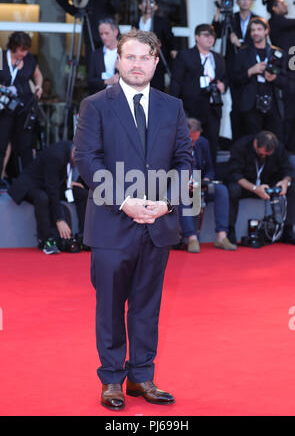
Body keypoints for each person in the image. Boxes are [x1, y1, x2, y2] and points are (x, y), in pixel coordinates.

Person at [74, 29, 192, 410]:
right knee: (110, 306)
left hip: (158, 224)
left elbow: (184, 160)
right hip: (112, 223)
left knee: (147, 305)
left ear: (156, 62)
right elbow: (86, 160)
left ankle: (142, 377)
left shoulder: (172, 106)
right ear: (118, 61)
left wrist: (167, 203)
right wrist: (123, 201)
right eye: (131, 57)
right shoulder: (95, 105)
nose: (137, 64)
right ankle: (111, 380)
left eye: (145, 57)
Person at [8, 141, 88, 254]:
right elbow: (52, 190)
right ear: (75, 153)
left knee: (82, 194)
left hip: (50, 182)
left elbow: (55, 178)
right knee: (43, 198)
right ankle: (45, 240)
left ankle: (84, 237)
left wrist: (68, 182)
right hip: (32, 184)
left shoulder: (70, 149)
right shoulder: (56, 156)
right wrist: (59, 219)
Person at [170, 23, 226, 165]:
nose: (210, 38)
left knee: (212, 145)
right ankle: (191, 182)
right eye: (206, 35)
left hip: (213, 108)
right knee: (191, 146)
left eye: (212, 35)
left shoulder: (218, 58)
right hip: (192, 109)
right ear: (197, 37)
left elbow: (225, 77)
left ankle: (209, 178)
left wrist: (223, 85)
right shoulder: (185, 55)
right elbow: (176, 82)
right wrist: (176, 109)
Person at [227, 131, 295, 245]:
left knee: (292, 187)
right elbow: (234, 174)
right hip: (247, 185)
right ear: (255, 143)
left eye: (267, 155)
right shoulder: (241, 146)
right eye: (261, 154)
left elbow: (287, 170)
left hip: (269, 185)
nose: (264, 156)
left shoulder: (278, 148)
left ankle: (287, 229)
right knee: (233, 189)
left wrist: (285, 182)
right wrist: (254, 188)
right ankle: (230, 230)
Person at [179, 119, 237, 253]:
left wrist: (207, 179)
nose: (193, 143)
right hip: (181, 184)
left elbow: (210, 168)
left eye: (196, 139)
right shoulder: (172, 143)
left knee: (221, 190)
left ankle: (222, 236)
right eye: (191, 140)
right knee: (182, 195)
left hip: (200, 183)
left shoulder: (203, 143)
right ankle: (192, 237)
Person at [49, 0, 119, 67]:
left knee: (113, 67)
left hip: (109, 36)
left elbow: (116, 9)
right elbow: (75, 10)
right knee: (93, 68)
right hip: (90, 34)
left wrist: (110, 0)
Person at [212, 0, 257, 141]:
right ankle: (236, 143)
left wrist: (240, 44)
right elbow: (216, 33)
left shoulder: (257, 20)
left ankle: (249, 141)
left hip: (251, 67)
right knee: (235, 107)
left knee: (249, 107)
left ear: (252, 1)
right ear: (237, 1)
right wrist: (218, 9)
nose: (245, 1)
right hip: (232, 67)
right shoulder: (231, 17)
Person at [0, 32, 43, 188]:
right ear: (13, 47)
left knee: (24, 145)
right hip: (4, 107)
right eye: (21, 50)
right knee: (2, 143)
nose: (24, 53)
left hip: (23, 107)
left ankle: (26, 181)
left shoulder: (29, 59)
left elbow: (38, 75)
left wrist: (39, 86)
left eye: (26, 50)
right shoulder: (1, 56)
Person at [233, 17, 287, 142]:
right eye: (252, 30)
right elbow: (235, 79)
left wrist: (274, 78)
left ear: (266, 31)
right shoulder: (243, 53)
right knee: (254, 142)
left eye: (259, 29)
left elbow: (285, 81)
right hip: (251, 106)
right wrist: (250, 71)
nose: (255, 33)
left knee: (274, 143)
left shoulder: (278, 53)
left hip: (273, 105)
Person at [264, 0, 295, 151]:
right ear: (275, 8)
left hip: (289, 70)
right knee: (287, 115)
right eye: (282, 3)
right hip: (285, 72)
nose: (286, 5)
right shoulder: (276, 21)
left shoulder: (284, 24)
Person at [133, 0, 178, 91]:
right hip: (140, 61)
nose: (149, 5)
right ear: (140, 6)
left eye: (152, 3)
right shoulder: (136, 22)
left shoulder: (161, 21)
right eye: (146, 2)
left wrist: (174, 49)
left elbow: (169, 37)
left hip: (156, 61)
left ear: (156, 7)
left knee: (157, 88)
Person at [87, 18, 120, 94]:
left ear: (115, 32)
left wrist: (121, 70)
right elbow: (90, 80)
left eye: (106, 33)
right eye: (101, 34)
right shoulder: (96, 54)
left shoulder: (125, 53)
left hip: (120, 97)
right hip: (101, 97)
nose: (103, 37)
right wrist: (106, 81)